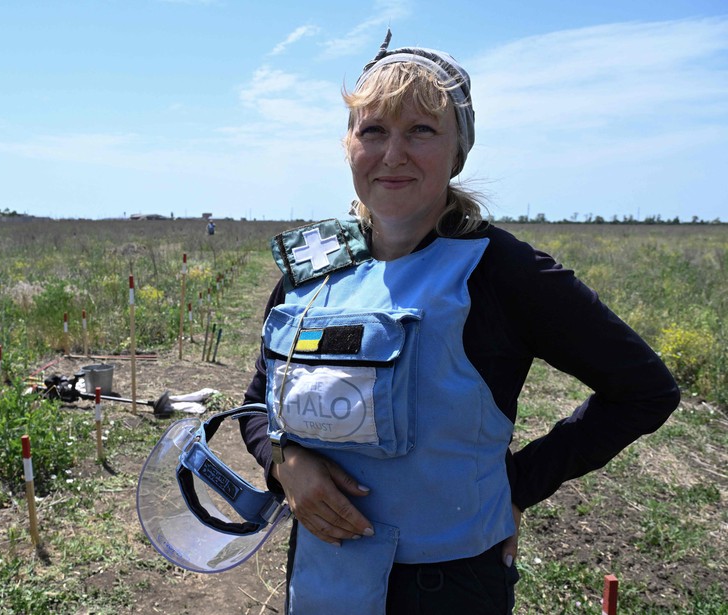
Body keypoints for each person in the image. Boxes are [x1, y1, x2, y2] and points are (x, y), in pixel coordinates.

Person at [238, 29, 680, 614]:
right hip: (323, 576)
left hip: (448, 588)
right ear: (348, 145)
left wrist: (517, 487)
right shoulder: (313, 271)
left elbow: (645, 391)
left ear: (458, 151)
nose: (393, 153)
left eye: (421, 130)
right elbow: (256, 404)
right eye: (374, 130)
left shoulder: (501, 272)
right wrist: (284, 462)